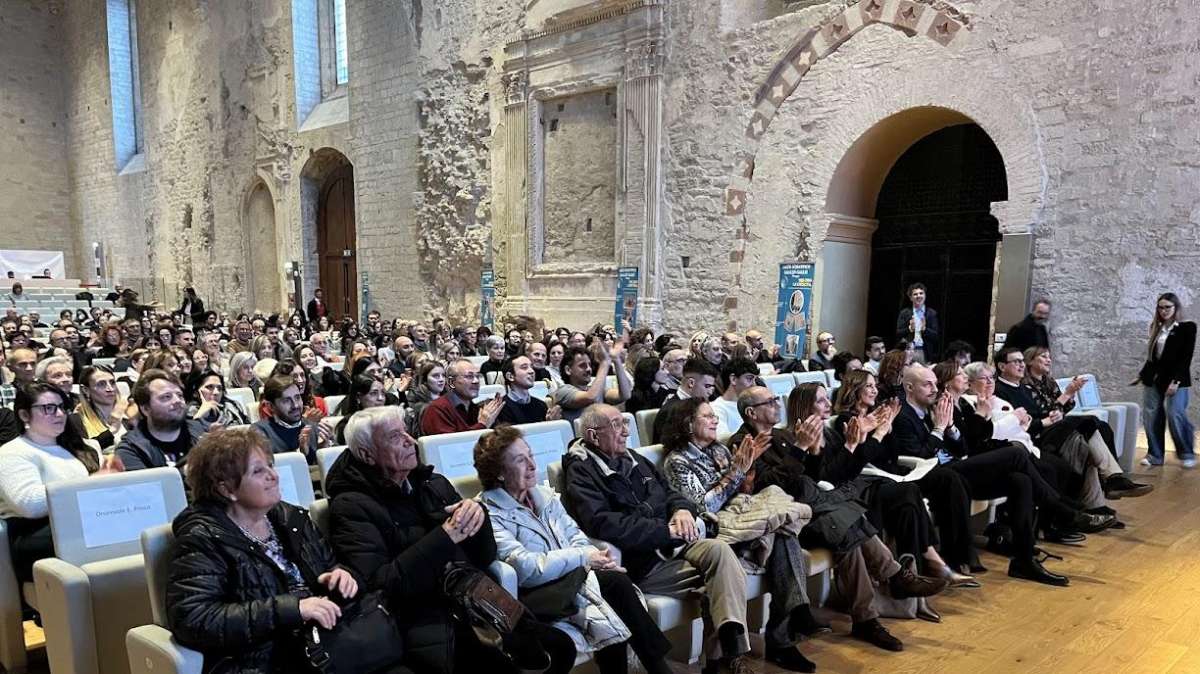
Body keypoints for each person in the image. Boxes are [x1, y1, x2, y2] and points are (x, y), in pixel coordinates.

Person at [324, 406, 576, 674]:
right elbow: (382, 586)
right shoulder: (350, 506)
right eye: (395, 437)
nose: (410, 440)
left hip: (475, 596)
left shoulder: (431, 482)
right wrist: (446, 536)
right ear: (367, 454)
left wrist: (478, 520)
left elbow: (484, 556)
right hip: (422, 618)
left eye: (406, 431)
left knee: (559, 648)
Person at [727, 385, 949, 649]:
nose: (777, 404)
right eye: (770, 401)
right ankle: (893, 581)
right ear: (752, 412)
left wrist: (815, 450)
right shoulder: (742, 443)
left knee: (847, 539)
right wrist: (801, 448)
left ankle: (867, 618)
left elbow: (816, 476)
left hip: (816, 509)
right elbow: (768, 488)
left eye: (776, 399)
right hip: (786, 520)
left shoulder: (782, 435)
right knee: (847, 522)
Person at [561, 403, 760, 673]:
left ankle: (728, 646)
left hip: (676, 542)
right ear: (594, 436)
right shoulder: (582, 471)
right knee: (724, 578)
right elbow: (603, 524)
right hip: (644, 560)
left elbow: (668, 492)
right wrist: (664, 531)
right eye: (617, 425)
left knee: (721, 552)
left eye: (626, 423)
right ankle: (721, 658)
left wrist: (681, 510)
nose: (626, 431)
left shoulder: (633, 458)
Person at [166, 428, 369, 673]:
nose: (273, 476)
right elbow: (194, 619)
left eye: (270, 466)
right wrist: (292, 609)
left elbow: (329, 565)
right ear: (226, 489)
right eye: (258, 471)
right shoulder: (203, 538)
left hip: (321, 645)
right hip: (259, 662)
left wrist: (337, 576)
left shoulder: (290, 518)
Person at [475, 426, 675, 674]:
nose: (531, 464)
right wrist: (584, 557)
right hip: (536, 593)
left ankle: (653, 668)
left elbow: (576, 536)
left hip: (572, 578)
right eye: (519, 460)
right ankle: (659, 668)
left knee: (612, 593)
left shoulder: (546, 496)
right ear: (500, 474)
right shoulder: (489, 512)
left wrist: (592, 558)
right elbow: (526, 567)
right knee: (615, 586)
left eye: (531, 455)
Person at [889, 364, 1111, 585]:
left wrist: (950, 429)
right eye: (927, 384)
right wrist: (939, 429)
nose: (934, 389)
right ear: (909, 387)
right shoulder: (903, 416)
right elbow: (919, 455)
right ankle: (1064, 512)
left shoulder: (937, 407)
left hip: (957, 469)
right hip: (932, 475)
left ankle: (1023, 560)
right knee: (1015, 453)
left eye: (934, 384)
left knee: (1020, 480)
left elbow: (962, 447)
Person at [657, 399, 821, 671]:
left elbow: (741, 493)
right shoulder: (677, 461)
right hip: (711, 530)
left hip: (738, 517)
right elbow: (701, 507)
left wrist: (746, 477)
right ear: (688, 424)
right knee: (781, 529)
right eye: (707, 416)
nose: (715, 420)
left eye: (713, 415)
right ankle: (783, 631)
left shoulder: (719, 449)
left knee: (782, 533)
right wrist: (737, 472)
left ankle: (777, 638)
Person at [820, 373, 976, 585]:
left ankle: (920, 575)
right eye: (869, 386)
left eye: (875, 385)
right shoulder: (846, 420)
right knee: (910, 493)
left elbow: (891, 455)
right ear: (855, 390)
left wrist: (887, 429)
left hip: (891, 475)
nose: (875, 390)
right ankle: (931, 565)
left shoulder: (878, 416)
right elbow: (860, 459)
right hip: (869, 480)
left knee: (943, 481)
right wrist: (879, 433)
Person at [994, 347, 1151, 505]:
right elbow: (1022, 421)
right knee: (1088, 422)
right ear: (1002, 366)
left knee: (1093, 435)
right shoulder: (1012, 388)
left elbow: (1045, 411)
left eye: (1022, 361)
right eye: (1016, 362)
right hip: (1035, 435)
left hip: (1049, 426)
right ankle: (1112, 479)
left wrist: (1056, 412)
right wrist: (1061, 401)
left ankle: (1101, 500)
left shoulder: (1035, 384)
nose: (1021, 365)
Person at [0, 382, 116, 582]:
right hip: (33, 533)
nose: (60, 414)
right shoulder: (12, 452)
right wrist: (91, 484)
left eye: (62, 407)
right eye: (48, 408)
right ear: (24, 415)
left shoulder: (75, 449)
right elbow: (30, 505)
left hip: (78, 523)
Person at [1136, 292, 1196, 467]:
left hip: (1177, 379)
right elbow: (1152, 358)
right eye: (1160, 307)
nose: (1164, 311)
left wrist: (1175, 382)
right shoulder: (1156, 328)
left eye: (1167, 307)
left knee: (1175, 413)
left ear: (1175, 307)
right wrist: (1141, 375)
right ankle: (1155, 455)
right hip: (1153, 379)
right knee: (1151, 415)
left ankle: (1186, 452)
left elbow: (1186, 358)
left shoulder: (1187, 328)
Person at [116, 369, 209, 470]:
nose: (177, 401)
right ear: (145, 409)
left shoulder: (202, 431)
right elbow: (151, 485)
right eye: (166, 397)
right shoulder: (131, 449)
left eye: (180, 395)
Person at [253, 374, 330, 461]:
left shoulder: (315, 427)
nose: (295, 405)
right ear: (270, 406)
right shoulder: (260, 432)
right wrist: (300, 454)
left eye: (297, 397)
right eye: (286, 401)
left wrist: (323, 451)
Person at [550, 344, 632, 425]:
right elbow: (591, 397)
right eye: (582, 366)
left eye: (589, 365)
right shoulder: (563, 391)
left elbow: (625, 395)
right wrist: (604, 362)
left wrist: (616, 360)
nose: (589, 369)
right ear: (568, 370)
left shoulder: (593, 390)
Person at [419, 359, 505, 435]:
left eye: (477, 376)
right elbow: (452, 448)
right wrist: (482, 424)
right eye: (469, 376)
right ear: (451, 382)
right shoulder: (437, 409)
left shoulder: (476, 408)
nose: (476, 381)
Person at [651, 357, 718, 443]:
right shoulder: (670, 412)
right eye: (707, 386)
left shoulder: (702, 405)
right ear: (691, 383)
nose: (710, 392)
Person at [70, 365, 130, 451]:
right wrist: (112, 431)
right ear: (85, 390)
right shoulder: (76, 420)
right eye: (101, 384)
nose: (110, 389)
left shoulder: (129, 411)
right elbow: (84, 450)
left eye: (112, 383)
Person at [496, 355, 556, 425]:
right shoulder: (501, 408)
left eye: (531, 367)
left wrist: (550, 423)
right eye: (524, 367)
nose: (532, 371)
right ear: (510, 376)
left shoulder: (541, 405)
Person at [185, 370, 251, 428]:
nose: (216, 392)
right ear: (195, 393)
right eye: (210, 387)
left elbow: (249, 428)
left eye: (219, 388)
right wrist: (200, 415)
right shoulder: (188, 413)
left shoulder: (232, 406)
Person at [333, 374, 387, 443]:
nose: (380, 398)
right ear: (358, 397)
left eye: (383, 393)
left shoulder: (389, 421)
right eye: (373, 393)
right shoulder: (347, 426)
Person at [711, 357, 759, 437]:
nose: (754, 385)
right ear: (733, 379)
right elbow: (722, 439)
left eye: (755, 380)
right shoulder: (716, 408)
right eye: (749, 379)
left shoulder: (754, 405)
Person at [895, 283, 939, 363]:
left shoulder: (931, 313)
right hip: (907, 350)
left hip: (924, 351)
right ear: (911, 298)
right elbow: (898, 333)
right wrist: (909, 329)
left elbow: (936, 336)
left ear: (925, 295)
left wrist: (924, 329)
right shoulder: (904, 313)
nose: (918, 296)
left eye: (921, 293)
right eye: (915, 294)